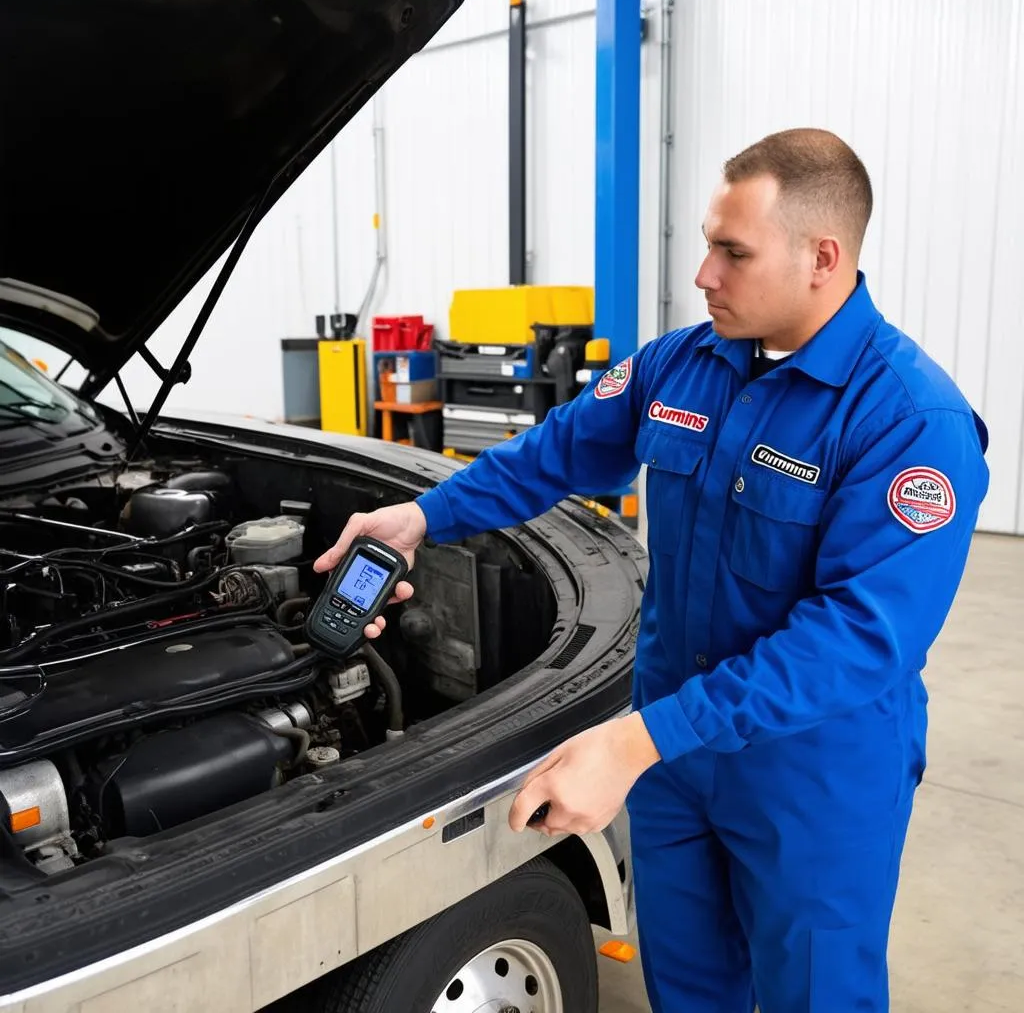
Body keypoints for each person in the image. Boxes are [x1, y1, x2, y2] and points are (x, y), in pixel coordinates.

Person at [315, 128, 990, 1012]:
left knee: (816, 994)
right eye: (709, 244)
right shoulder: (680, 364)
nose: (703, 274)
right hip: (674, 760)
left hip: (811, 777)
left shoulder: (910, 423)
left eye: (732, 252)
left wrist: (637, 741)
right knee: (686, 987)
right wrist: (421, 516)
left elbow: (857, 640)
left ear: (823, 257)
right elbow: (551, 455)